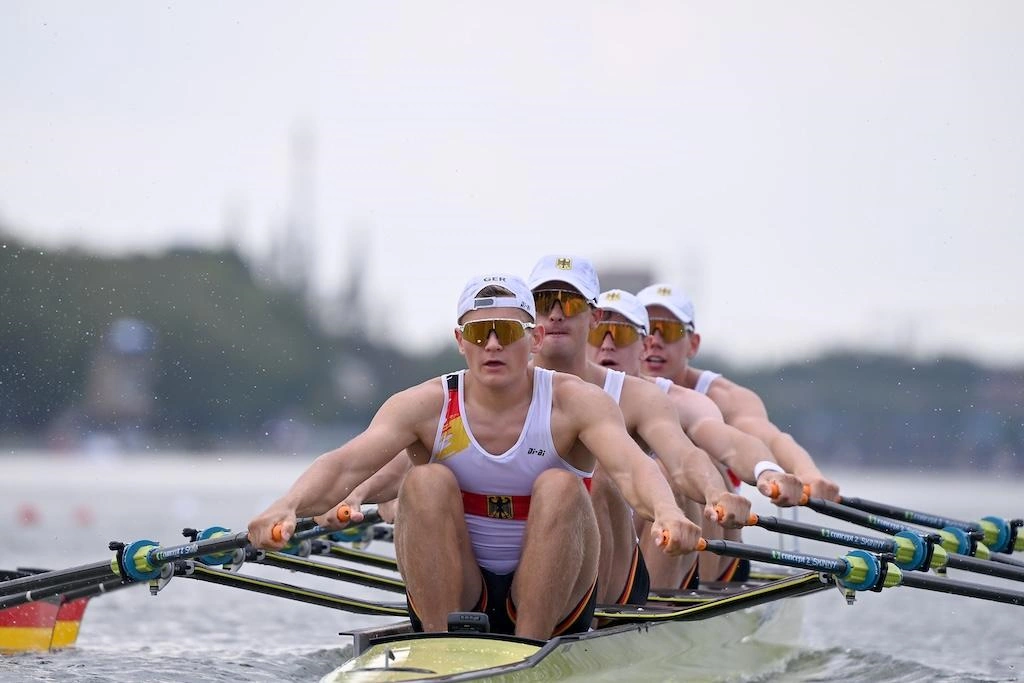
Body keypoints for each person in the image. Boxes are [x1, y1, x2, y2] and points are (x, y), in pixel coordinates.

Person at [248, 273, 699, 640]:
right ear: (461, 340)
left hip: (557, 594)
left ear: (535, 338)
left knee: (560, 485)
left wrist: (665, 512)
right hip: (460, 584)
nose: (493, 346)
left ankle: (530, 648)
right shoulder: (424, 404)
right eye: (481, 333)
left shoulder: (574, 402)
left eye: (506, 332)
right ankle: (443, 646)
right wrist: (284, 506)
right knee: (423, 482)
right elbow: (344, 464)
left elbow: (632, 467)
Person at [526, 255, 752, 606]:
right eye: (544, 302)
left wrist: (720, 491)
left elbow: (687, 456)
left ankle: (647, 616)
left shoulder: (647, 397)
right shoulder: (500, 386)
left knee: (608, 476)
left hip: (620, 563)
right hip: (530, 555)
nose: (556, 314)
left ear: (591, 316)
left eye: (570, 304)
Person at [586, 288, 805, 588]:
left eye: (621, 335)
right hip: (606, 544)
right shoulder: (558, 392)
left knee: (683, 468)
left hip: (686, 550)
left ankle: (658, 608)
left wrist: (769, 471)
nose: (607, 346)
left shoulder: (681, 401)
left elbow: (732, 442)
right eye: (598, 334)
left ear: (643, 346)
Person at [637, 283, 841, 501]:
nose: (655, 341)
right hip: (634, 524)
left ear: (693, 344)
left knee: (681, 466)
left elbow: (770, 439)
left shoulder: (725, 398)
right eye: (646, 330)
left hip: (709, 520)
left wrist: (807, 473)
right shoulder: (607, 390)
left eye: (668, 330)